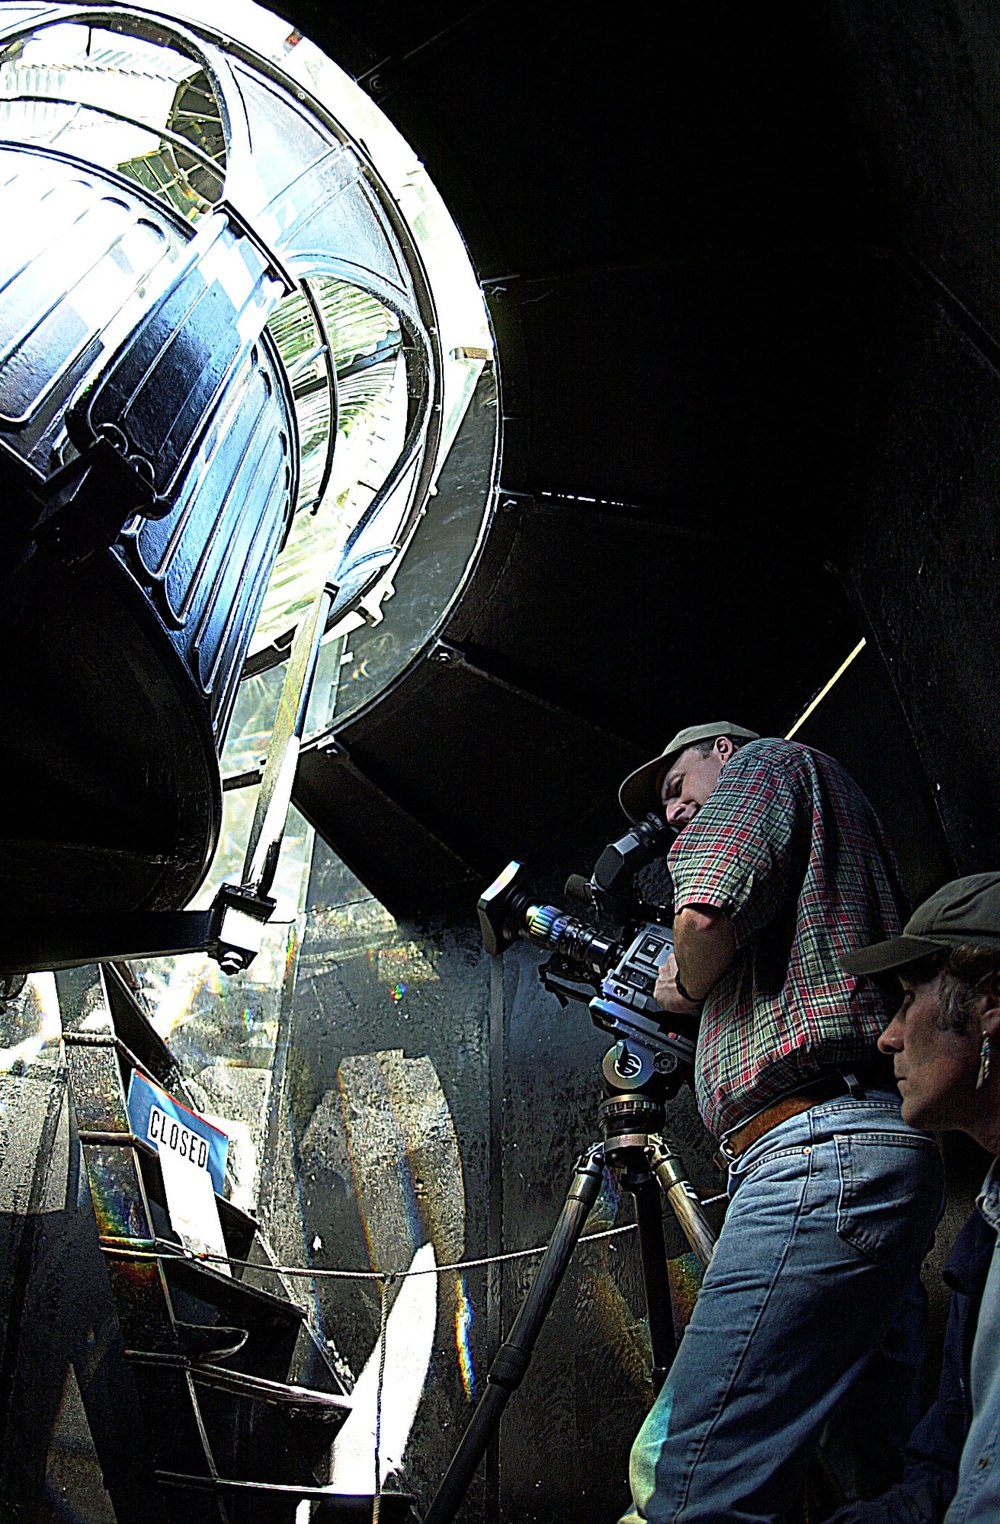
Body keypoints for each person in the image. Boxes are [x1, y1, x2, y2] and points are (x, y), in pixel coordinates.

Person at [616, 723, 946, 1524]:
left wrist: (682, 987)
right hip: (859, 1153)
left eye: (674, 784)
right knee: (887, 1484)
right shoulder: (816, 830)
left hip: (818, 1154)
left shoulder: (764, 766)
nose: (670, 812)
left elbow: (701, 919)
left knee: (690, 1484)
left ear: (722, 751)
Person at [826, 872, 1000, 1524]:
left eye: (905, 1001)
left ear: (991, 1001)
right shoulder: (985, 1229)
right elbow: (943, 1472)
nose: (887, 1037)